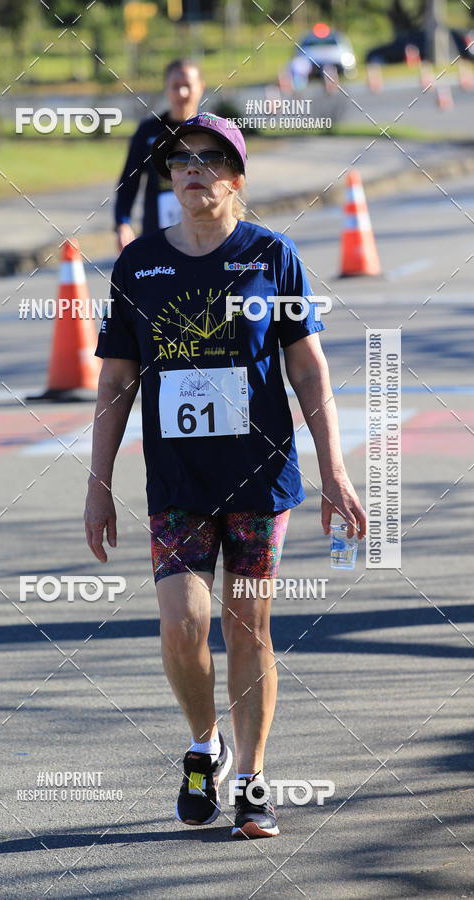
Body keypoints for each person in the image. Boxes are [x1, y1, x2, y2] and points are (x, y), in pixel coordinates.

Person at [85, 112, 366, 839]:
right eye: (180, 161)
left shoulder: (274, 256)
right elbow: (116, 381)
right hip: (176, 481)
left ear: (236, 178)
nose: (194, 170)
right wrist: (97, 481)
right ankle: (202, 745)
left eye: (211, 160)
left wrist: (333, 466)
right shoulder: (138, 264)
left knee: (248, 623)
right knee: (183, 625)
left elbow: (308, 365)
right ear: (167, 177)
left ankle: (251, 778)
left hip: (259, 476)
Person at [114, 58, 205, 253]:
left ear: (201, 87)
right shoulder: (148, 132)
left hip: (204, 238)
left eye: (188, 85)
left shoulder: (212, 133)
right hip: (156, 237)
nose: (182, 93)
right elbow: (129, 181)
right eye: (175, 86)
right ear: (166, 88)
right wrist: (122, 223)